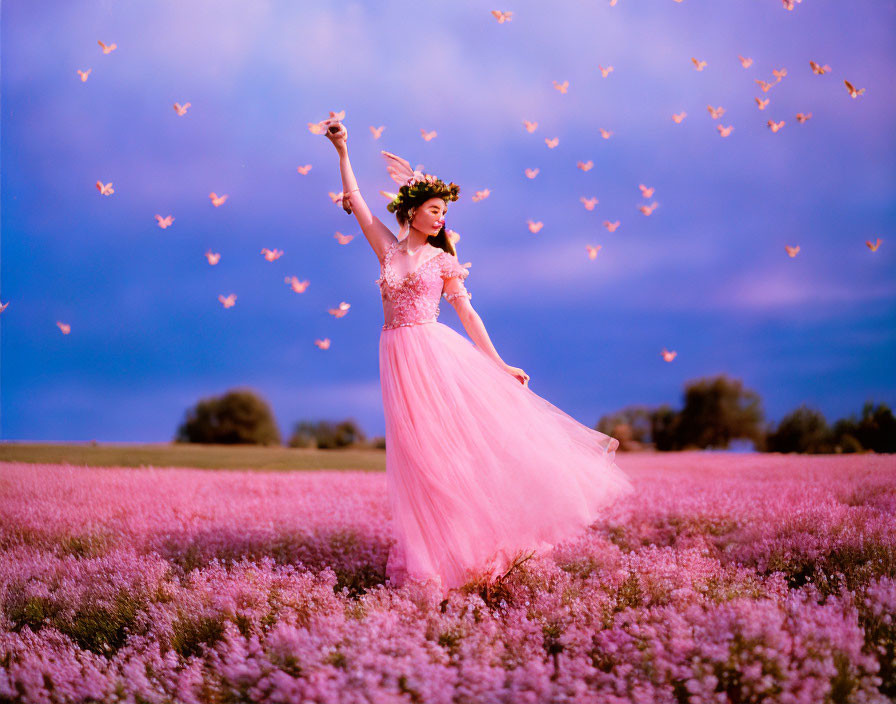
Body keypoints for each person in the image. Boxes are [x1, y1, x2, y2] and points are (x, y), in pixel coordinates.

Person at [322, 117, 635, 598]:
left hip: (433, 356)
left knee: (445, 459)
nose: (441, 217)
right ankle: (435, 567)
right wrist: (343, 150)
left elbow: (469, 317)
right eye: (433, 208)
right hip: (396, 358)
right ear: (411, 212)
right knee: (416, 465)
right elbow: (359, 201)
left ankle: (474, 559)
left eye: (444, 211)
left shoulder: (444, 261)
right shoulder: (386, 248)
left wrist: (499, 364)